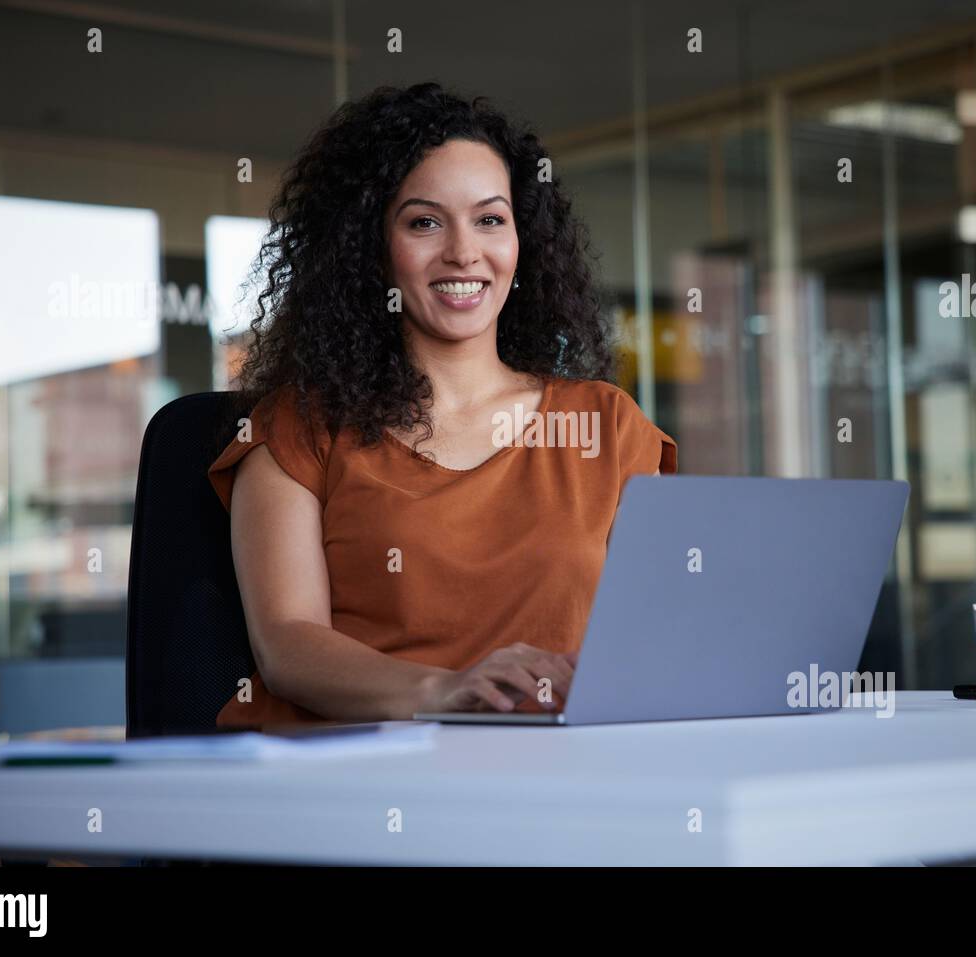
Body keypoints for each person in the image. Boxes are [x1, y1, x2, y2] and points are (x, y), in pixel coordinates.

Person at [208, 82, 676, 727]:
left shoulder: (607, 425)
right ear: (371, 250)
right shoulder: (300, 430)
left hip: (566, 771)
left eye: (490, 219)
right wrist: (449, 691)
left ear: (522, 243)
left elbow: (657, 636)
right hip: (369, 774)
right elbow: (288, 643)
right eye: (424, 221)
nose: (464, 251)